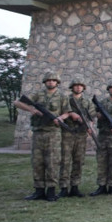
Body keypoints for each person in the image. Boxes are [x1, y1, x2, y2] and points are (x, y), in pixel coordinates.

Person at [14, 71, 71, 202]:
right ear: (45, 82)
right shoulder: (37, 95)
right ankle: (38, 190)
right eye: (48, 80)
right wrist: (32, 110)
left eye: (53, 80)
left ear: (57, 82)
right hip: (38, 132)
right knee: (37, 162)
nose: (51, 82)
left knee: (52, 162)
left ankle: (51, 190)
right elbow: (17, 102)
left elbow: (67, 112)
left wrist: (60, 118)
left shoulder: (62, 96)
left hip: (53, 133)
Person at [59, 78, 95, 198]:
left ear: (83, 88)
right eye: (76, 86)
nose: (78, 87)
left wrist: (90, 127)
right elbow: (63, 112)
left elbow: (91, 117)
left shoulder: (87, 102)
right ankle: (64, 187)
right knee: (65, 160)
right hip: (68, 133)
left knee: (79, 161)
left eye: (80, 86)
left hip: (81, 134)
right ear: (72, 87)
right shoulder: (66, 100)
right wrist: (71, 114)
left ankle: (75, 186)